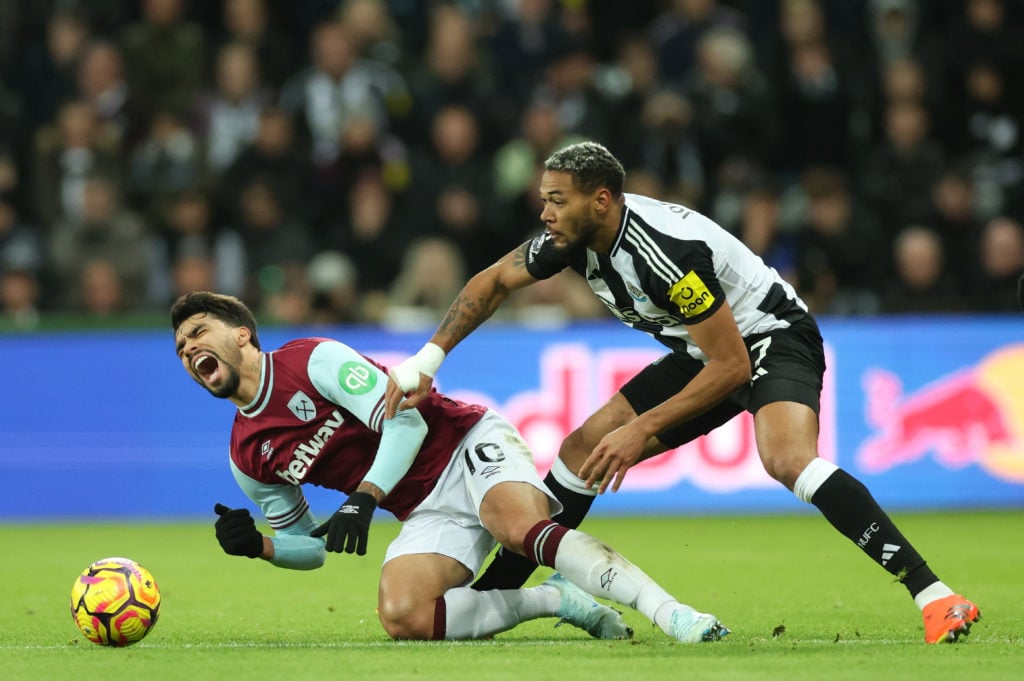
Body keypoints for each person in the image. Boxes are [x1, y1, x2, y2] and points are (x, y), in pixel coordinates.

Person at [384, 141, 981, 645]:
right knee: (581, 448)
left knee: (787, 460)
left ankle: (935, 595)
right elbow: (491, 284)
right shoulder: (568, 239)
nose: (545, 212)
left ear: (601, 200)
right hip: (705, 350)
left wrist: (641, 428)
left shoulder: (663, 255)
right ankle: (500, 595)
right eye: (544, 199)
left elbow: (732, 367)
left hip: (769, 338)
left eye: (556, 200)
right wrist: (427, 359)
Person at [170, 290, 728, 643]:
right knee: (403, 615)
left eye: (198, 332)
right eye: (179, 348)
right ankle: (553, 599)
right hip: (421, 506)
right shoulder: (247, 456)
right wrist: (263, 547)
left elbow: (406, 424)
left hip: (464, 444)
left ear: (241, 334)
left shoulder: (311, 359)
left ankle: (671, 612)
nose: (189, 349)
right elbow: (312, 548)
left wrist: (363, 497)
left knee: (517, 530)